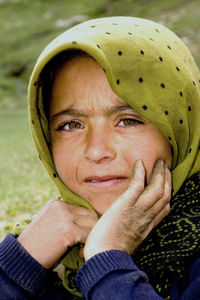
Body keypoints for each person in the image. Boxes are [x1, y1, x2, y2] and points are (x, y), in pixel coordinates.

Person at [0, 16, 200, 300]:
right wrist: (17, 266)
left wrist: (107, 259)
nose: (96, 151)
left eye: (128, 121)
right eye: (71, 125)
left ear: (179, 128)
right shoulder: (51, 254)